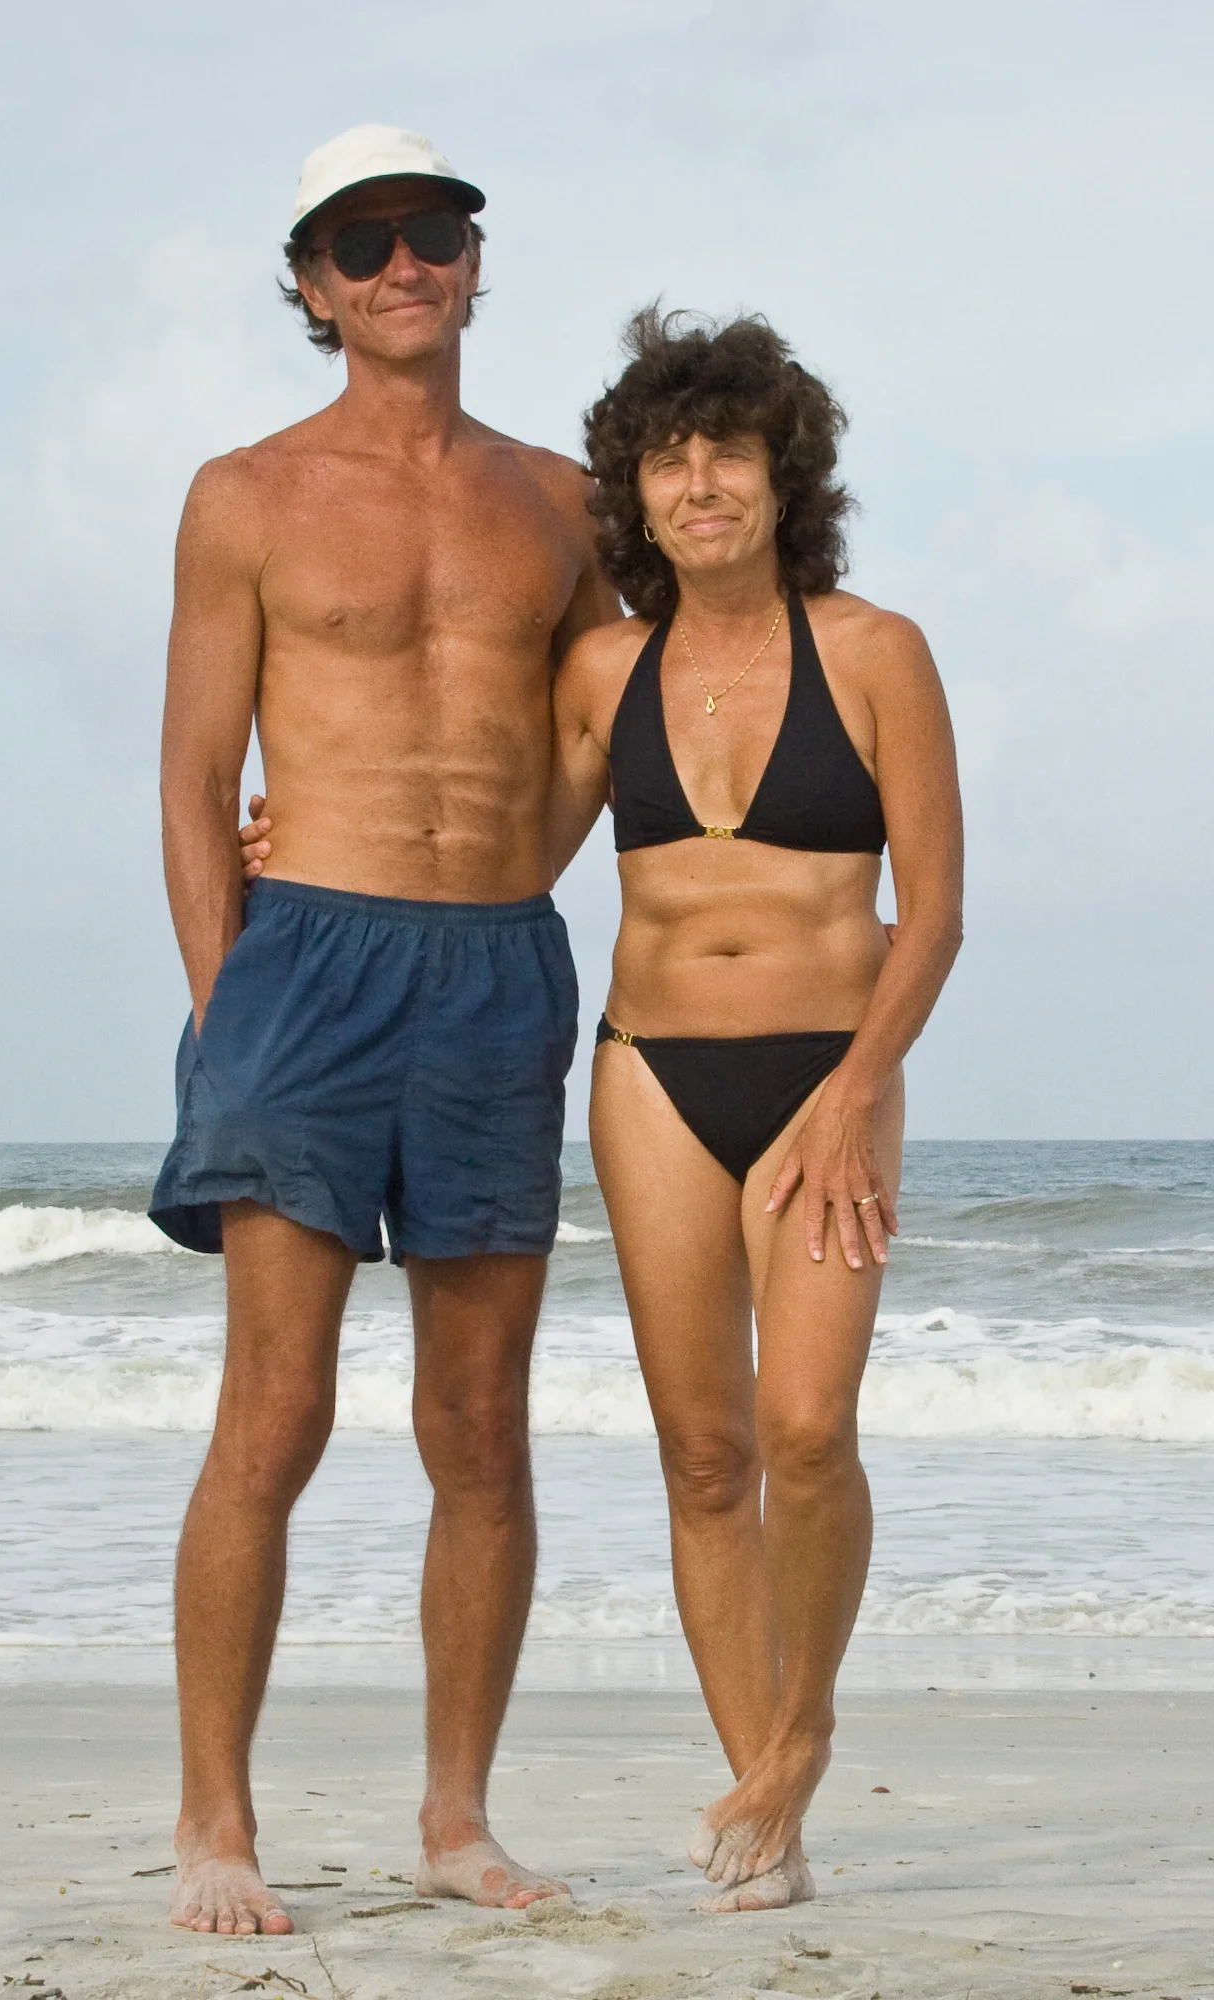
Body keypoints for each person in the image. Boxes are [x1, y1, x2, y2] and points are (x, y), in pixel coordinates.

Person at [245, 309, 964, 1911]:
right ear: (634, 492)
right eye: (668, 459)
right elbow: (503, 852)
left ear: (785, 473)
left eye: (730, 453)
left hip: (828, 1076)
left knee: (807, 1430)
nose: (701, 482)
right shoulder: (603, 671)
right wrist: (311, 844)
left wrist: (857, 1092)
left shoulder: (876, 654)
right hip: (650, 1073)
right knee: (706, 1457)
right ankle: (764, 1814)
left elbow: (937, 916)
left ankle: (801, 1734)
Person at [146, 123, 620, 1936]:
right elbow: (195, 780)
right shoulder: (244, 495)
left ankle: (455, 1819)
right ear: (313, 287)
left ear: (475, 261)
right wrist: (229, 1006)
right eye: (361, 244)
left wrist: (515, 870)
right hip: (305, 974)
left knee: (480, 1426)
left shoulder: (565, 501)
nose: (403, 263)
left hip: (496, 970)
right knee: (274, 1414)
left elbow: (615, 719)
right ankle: (216, 1825)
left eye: (432, 231)